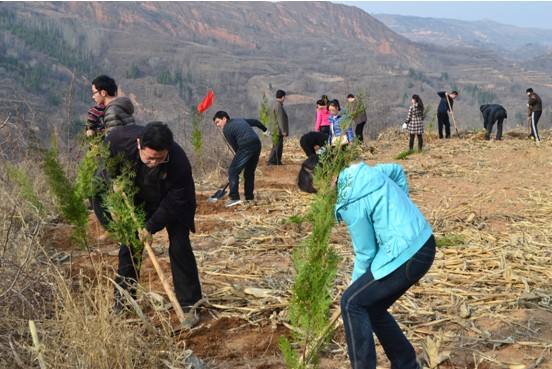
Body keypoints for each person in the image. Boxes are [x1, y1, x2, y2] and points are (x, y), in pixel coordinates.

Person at [297, 156, 435, 369]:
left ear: (328, 177)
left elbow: (365, 253)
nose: (322, 196)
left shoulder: (349, 199)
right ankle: (406, 363)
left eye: (319, 189)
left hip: (407, 254)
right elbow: (397, 170)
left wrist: (354, 288)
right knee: (373, 308)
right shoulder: (364, 172)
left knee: (352, 302)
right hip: (423, 241)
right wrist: (400, 213)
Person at [93, 122, 202, 324]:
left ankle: (189, 304)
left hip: (173, 200)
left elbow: (176, 200)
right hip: (137, 197)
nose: (153, 162)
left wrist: (150, 227)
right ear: (138, 145)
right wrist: (112, 191)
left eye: (159, 159)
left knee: (180, 246)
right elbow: (100, 178)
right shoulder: (118, 141)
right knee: (130, 247)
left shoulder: (179, 162)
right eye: (149, 157)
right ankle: (123, 302)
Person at [212, 111, 267, 207]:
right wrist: (265, 130)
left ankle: (234, 197)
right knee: (249, 172)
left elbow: (236, 147)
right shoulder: (240, 120)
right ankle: (249, 197)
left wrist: (240, 159)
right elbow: (255, 122)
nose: (217, 125)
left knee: (233, 171)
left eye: (218, 122)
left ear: (224, 119)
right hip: (256, 143)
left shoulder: (226, 129)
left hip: (245, 146)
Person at [267, 89, 289, 165]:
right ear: (282, 97)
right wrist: (283, 131)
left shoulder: (275, 104)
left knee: (278, 146)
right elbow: (280, 119)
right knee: (277, 146)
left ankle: (277, 161)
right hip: (277, 130)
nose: (284, 99)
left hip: (275, 129)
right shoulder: (278, 106)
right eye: (284, 97)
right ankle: (271, 161)